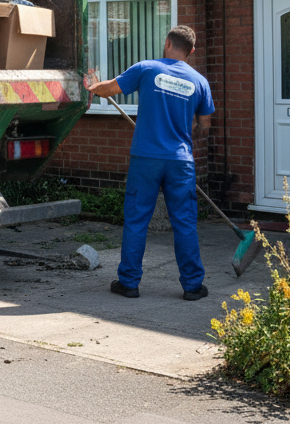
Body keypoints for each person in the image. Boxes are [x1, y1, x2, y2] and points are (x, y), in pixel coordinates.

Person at [84, 25, 214, 301]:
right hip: (180, 161)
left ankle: (129, 283)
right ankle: (192, 286)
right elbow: (205, 124)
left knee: (137, 219)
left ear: (167, 42)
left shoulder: (147, 69)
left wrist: (94, 87)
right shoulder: (199, 81)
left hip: (146, 158)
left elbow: (110, 89)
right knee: (185, 223)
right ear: (191, 51)